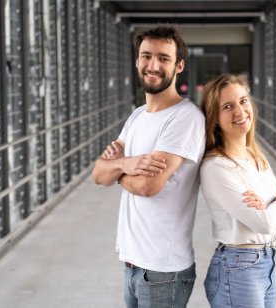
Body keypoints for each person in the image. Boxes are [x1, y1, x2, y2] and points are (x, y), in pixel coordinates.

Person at [92, 25, 205, 308]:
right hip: (132, 264)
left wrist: (117, 171)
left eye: (163, 58)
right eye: (146, 56)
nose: (153, 65)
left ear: (178, 65)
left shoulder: (185, 118)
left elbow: (147, 186)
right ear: (137, 60)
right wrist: (128, 163)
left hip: (162, 271)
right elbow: (97, 173)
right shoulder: (137, 116)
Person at [199, 74, 276, 308]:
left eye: (243, 101)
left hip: (268, 261)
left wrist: (273, 207)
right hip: (239, 267)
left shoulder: (255, 155)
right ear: (214, 118)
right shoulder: (216, 167)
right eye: (228, 106)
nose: (240, 111)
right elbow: (265, 222)